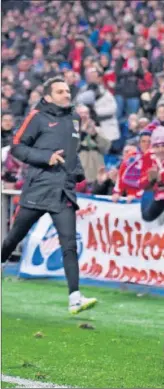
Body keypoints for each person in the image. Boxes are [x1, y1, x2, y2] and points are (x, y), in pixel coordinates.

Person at [0, 77, 97, 314]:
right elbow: (17, 146)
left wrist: (78, 173)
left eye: (67, 90)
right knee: (13, 239)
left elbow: (73, 152)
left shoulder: (75, 118)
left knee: (69, 244)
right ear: (48, 96)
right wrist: (46, 157)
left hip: (63, 191)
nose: (67, 94)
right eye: (61, 91)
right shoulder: (36, 117)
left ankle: (75, 297)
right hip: (38, 189)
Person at [138, 125, 164, 222]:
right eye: (157, 146)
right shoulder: (148, 157)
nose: (161, 150)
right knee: (146, 215)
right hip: (158, 194)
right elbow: (141, 184)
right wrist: (149, 179)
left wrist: (161, 177)